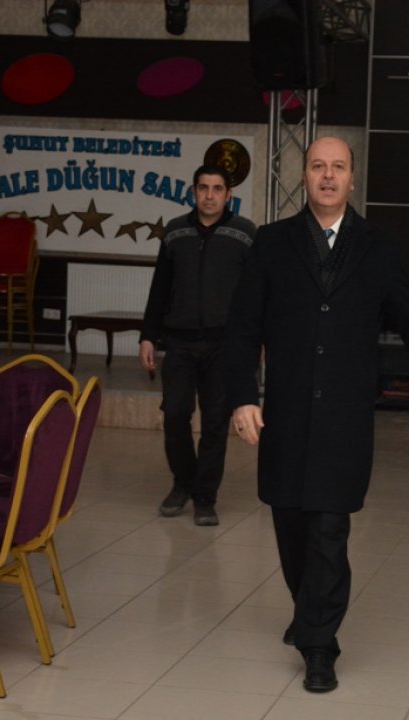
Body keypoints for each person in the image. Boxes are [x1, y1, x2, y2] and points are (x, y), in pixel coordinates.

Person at [225, 136, 409, 693]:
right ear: (304, 176)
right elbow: (243, 327)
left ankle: (320, 645)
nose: (327, 175)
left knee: (328, 529)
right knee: (291, 525)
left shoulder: (377, 247)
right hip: (286, 415)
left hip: (344, 419)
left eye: (338, 167)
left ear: (351, 178)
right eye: (318, 166)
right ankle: (308, 609)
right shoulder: (271, 243)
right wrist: (243, 396)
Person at [140, 164, 256, 526]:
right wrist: (148, 335)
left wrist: (257, 339)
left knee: (216, 423)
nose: (209, 195)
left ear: (229, 195)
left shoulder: (245, 234)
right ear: (193, 192)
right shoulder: (175, 232)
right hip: (179, 342)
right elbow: (160, 287)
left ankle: (205, 498)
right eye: (203, 188)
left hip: (225, 345)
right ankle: (182, 484)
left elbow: (256, 295)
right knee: (175, 415)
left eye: (217, 189)